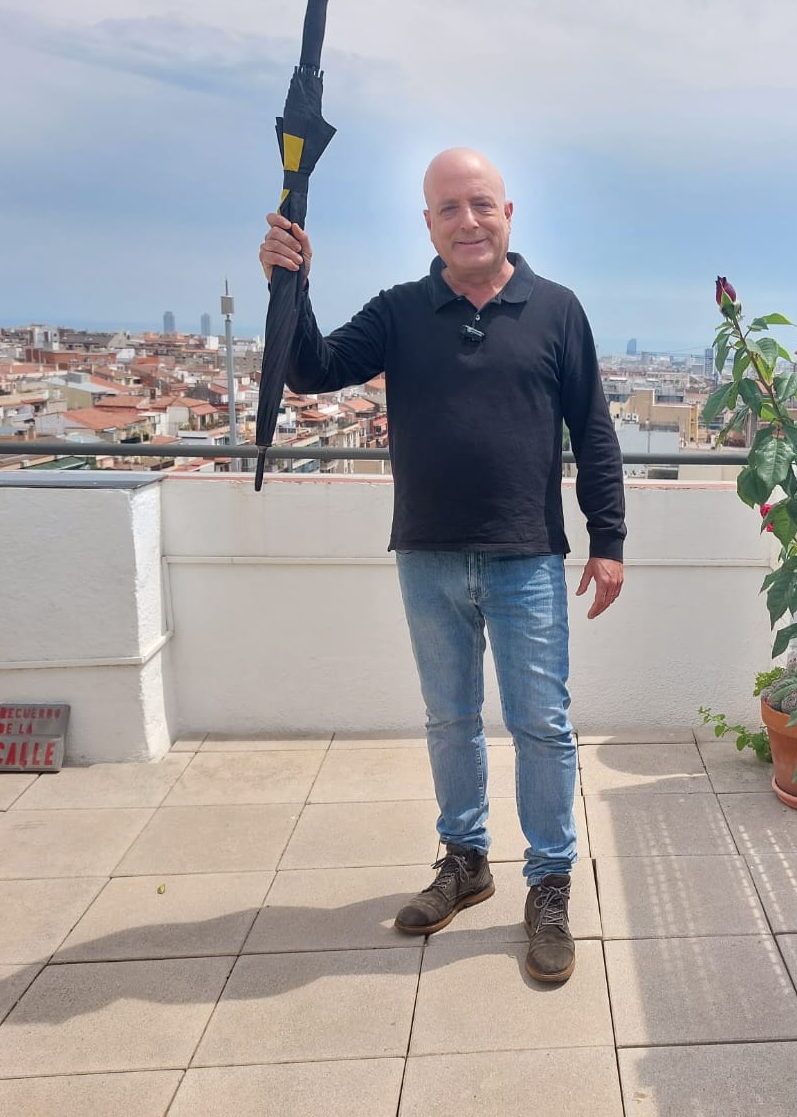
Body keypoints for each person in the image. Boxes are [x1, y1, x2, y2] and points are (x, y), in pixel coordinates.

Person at [257, 148, 626, 984]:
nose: (467, 220)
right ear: (428, 223)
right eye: (449, 209)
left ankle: (550, 885)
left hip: (527, 558)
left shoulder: (558, 311)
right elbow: (313, 370)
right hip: (426, 553)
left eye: (480, 204)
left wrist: (609, 539)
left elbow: (594, 430)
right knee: (449, 720)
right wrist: (292, 281)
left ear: (507, 214)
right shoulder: (398, 311)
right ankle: (465, 861)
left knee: (543, 726)